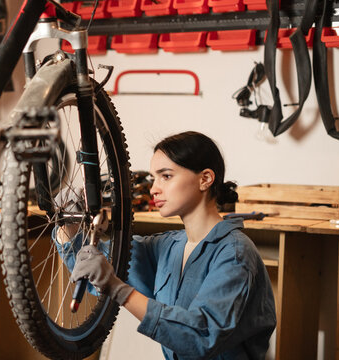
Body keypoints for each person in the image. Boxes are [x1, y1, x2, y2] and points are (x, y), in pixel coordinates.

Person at [53, 131, 276, 360]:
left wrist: (117, 288)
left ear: (205, 179)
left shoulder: (235, 254)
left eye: (166, 176)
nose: (153, 189)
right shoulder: (168, 246)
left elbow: (201, 336)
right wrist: (69, 226)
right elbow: (101, 265)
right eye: (153, 179)